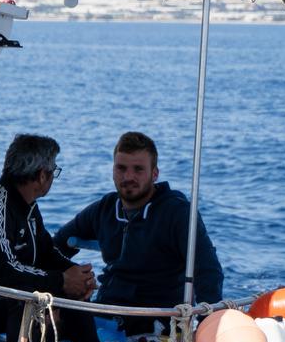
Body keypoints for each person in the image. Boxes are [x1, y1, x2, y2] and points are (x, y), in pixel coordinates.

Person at [0, 134, 110, 342]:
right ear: (42, 175)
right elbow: (5, 270)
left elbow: (46, 250)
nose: (53, 177)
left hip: (4, 301)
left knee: (72, 297)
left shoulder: (29, 206)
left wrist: (76, 274)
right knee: (27, 299)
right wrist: (61, 281)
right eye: (54, 171)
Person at [54, 130, 225, 326]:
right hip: (106, 313)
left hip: (157, 323)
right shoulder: (105, 209)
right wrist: (66, 279)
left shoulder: (177, 213)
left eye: (138, 169)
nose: (128, 176)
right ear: (112, 170)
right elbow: (57, 245)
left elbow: (208, 271)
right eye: (121, 168)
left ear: (154, 174)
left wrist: (205, 327)